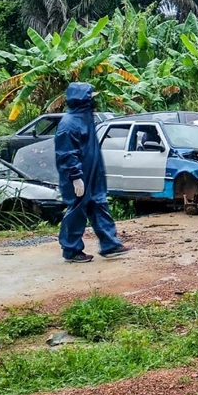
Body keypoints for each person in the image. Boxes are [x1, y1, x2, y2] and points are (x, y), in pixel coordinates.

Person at [54, 82, 128, 263]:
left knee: (99, 206)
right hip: (78, 177)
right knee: (77, 212)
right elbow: (67, 153)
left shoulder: (85, 119)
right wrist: (76, 177)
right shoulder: (69, 124)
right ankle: (71, 250)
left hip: (93, 174)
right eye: (90, 97)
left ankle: (110, 245)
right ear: (82, 100)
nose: (93, 101)